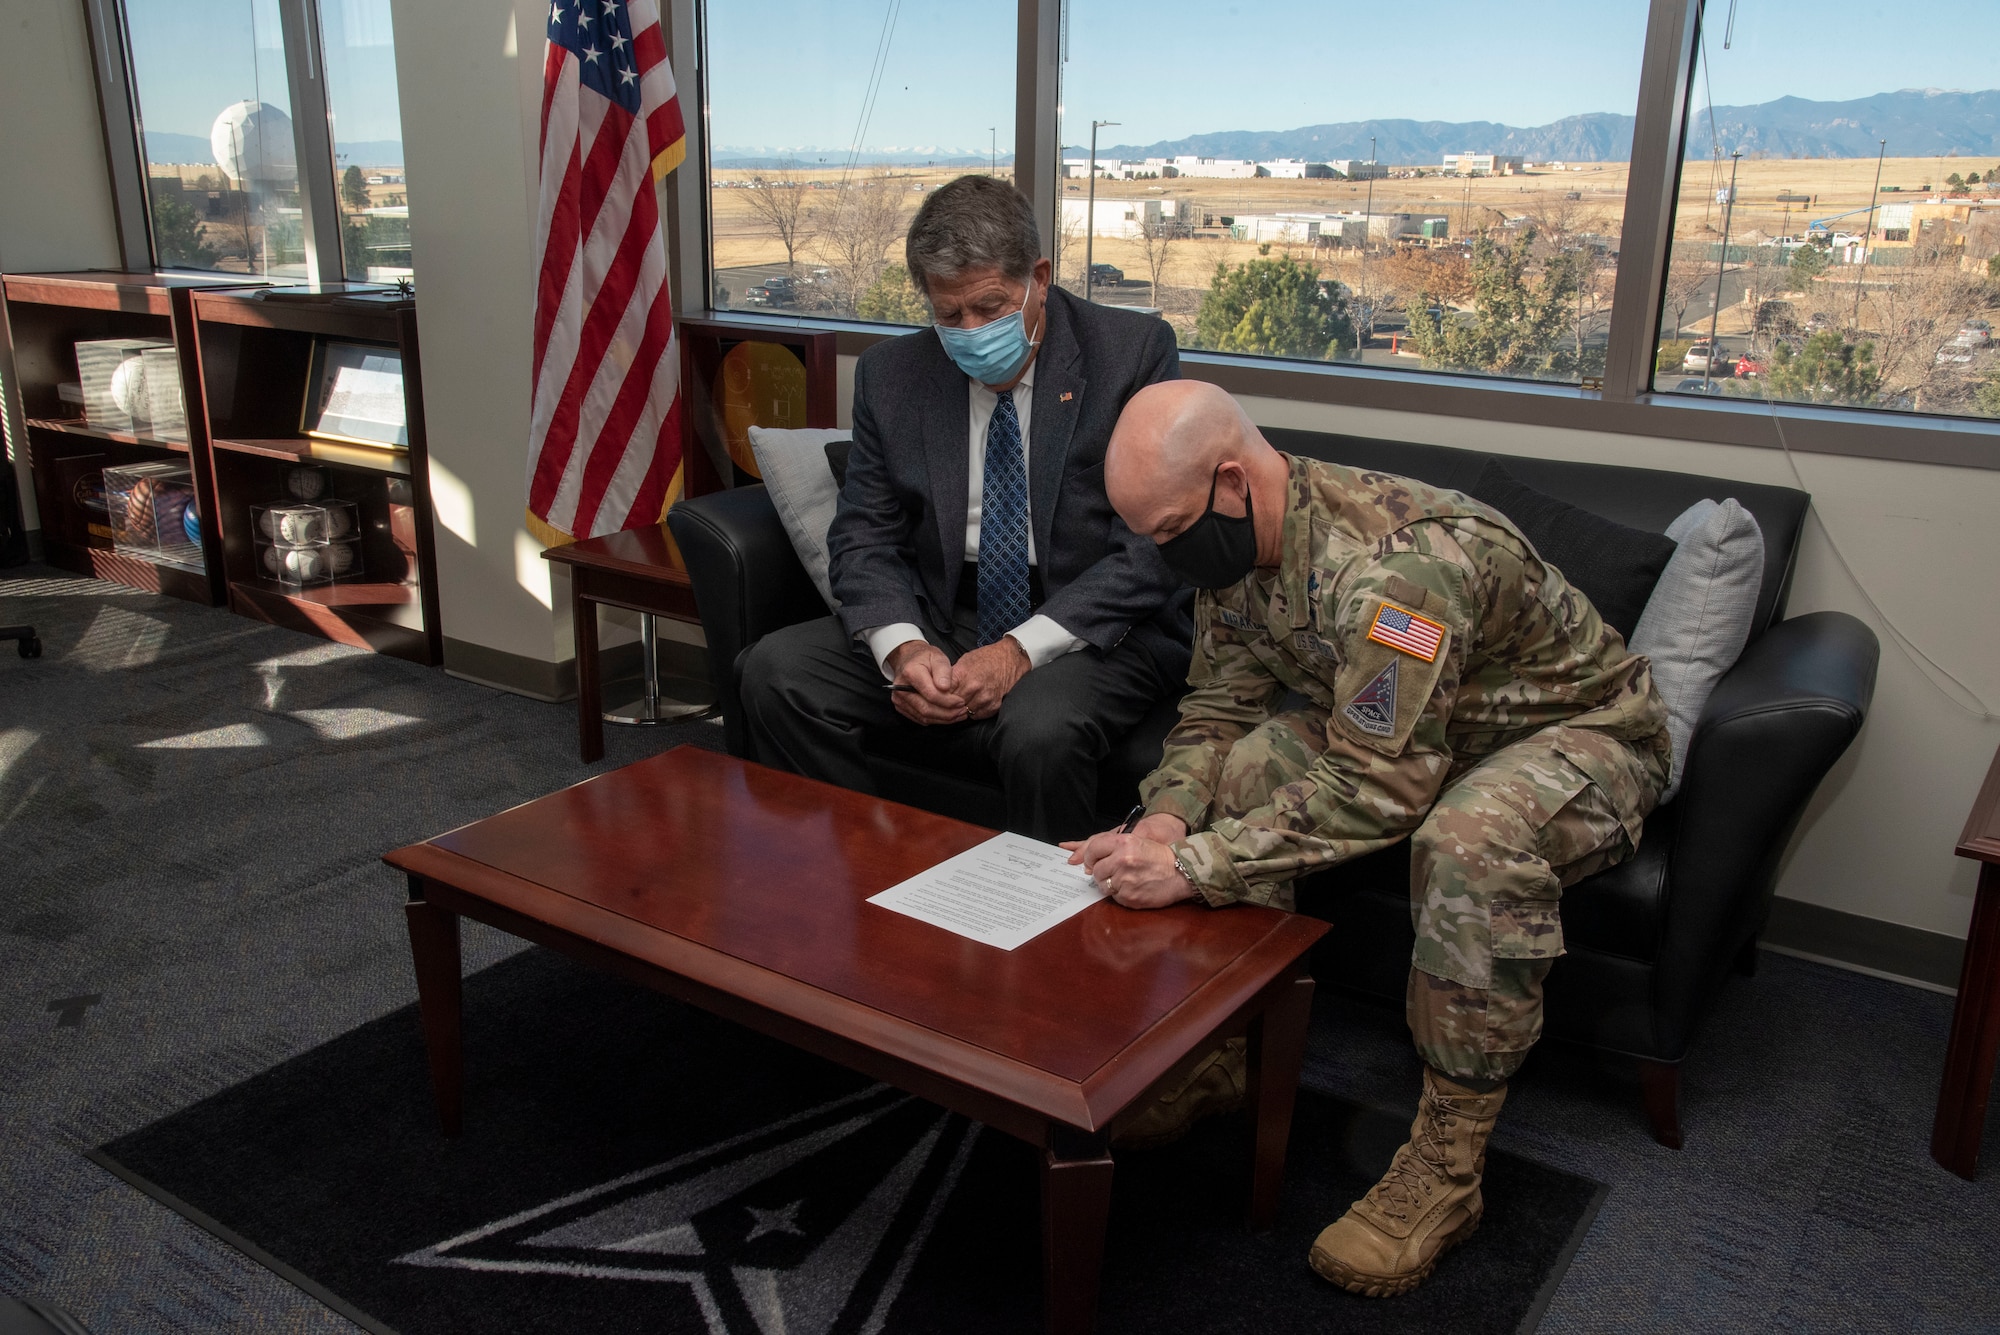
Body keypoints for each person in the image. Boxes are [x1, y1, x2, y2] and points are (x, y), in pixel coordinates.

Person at [1066, 380, 1670, 1298]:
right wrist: (1167, 817)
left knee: (1469, 840)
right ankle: (1227, 1050)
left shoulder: (1396, 571)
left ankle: (1447, 1167)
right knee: (1248, 767)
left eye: (1169, 528)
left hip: (1576, 734)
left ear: (1232, 480)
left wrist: (1196, 867)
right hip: (1429, 729)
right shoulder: (1226, 553)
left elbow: (1387, 783)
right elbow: (1220, 705)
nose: (1161, 552)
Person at [740, 175, 1189, 842]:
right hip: (948, 610)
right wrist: (903, 646)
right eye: (949, 315)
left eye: (990, 306)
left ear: (1038, 277)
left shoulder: (1132, 355)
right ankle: (871, 867)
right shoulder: (893, 375)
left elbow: (1151, 551)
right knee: (775, 672)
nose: (971, 332)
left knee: (1041, 729)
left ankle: (1046, 927)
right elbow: (864, 534)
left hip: (1090, 620)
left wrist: (1016, 652)